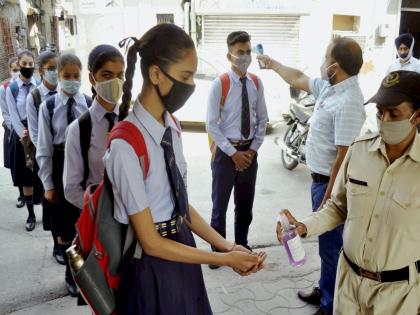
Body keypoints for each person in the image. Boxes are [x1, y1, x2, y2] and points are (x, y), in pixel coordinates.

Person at [104, 24, 266, 314]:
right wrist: (225, 260)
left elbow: (182, 206)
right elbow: (151, 243)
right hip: (151, 267)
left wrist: (226, 247)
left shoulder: (172, 126)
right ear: (155, 74)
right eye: (185, 76)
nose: (191, 85)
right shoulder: (125, 145)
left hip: (182, 249)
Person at [277, 70, 420, 315]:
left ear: (417, 116)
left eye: (394, 113)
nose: (384, 119)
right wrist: (304, 226)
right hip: (348, 286)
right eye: (379, 112)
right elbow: (338, 206)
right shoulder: (359, 150)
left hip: (397, 296)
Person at [258, 37, 365, 315]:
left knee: (331, 249)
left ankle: (330, 305)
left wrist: (328, 200)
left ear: (335, 66)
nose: (322, 62)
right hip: (318, 181)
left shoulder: (349, 100)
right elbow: (299, 77)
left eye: (325, 57)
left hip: (329, 186)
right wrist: (272, 64)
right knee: (325, 247)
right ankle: (324, 289)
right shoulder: (332, 88)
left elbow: (343, 158)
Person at [206, 31, 268, 268]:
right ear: (229, 55)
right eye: (240, 52)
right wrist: (233, 154)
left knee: (245, 204)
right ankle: (219, 252)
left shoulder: (256, 83)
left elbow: (262, 119)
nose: (245, 56)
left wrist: (251, 150)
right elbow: (211, 124)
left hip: (249, 152)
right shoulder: (219, 84)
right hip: (225, 153)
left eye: (248, 52)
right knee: (219, 205)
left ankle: (241, 244)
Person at [36, 53, 91, 297]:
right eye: (66, 76)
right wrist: (48, 183)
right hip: (59, 166)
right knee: (64, 228)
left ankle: (89, 274)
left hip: (84, 167)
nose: (71, 80)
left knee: (85, 223)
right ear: (57, 76)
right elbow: (44, 148)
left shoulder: (89, 103)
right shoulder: (47, 106)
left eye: (75, 76)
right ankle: (71, 275)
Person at [64, 44, 124, 209]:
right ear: (92, 78)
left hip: (138, 219)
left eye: (120, 75)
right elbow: (71, 189)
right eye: (107, 75)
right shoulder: (79, 129)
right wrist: (100, 210)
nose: (115, 82)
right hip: (100, 220)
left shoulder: (131, 121)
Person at [25, 51, 63, 264]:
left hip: (67, 157)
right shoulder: (35, 97)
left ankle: (68, 241)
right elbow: (36, 134)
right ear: (40, 71)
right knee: (52, 203)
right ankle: (57, 245)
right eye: (50, 69)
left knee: (67, 204)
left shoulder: (65, 93)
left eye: (57, 68)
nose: (54, 73)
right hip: (47, 157)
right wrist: (45, 165)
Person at [5, 50, 39, 231]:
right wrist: (23, 136)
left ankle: (45, 209)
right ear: (18, 65)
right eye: (23, 64)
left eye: (30, 63)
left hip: (39, 132)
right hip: (22, 135)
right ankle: (31, 214)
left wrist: (38, 134)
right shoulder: (12, 88)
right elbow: (12, 114)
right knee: (26, 178)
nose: (27, 67)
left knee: (41, 174)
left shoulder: (39, 85)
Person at [0, 57, 25, 208]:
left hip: (26, 130)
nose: (17, 73)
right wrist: (16, 130)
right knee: (15, 163)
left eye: (19, 70)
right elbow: (6, 113)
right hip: (12, 131)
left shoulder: (26, 86)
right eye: (14, 70)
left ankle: (31, 192)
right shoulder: (4, 88)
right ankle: (21, 194)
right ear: (9, 71)